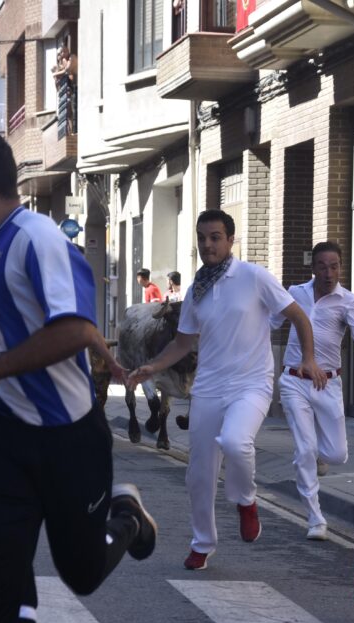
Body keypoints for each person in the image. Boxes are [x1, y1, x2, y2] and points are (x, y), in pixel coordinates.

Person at [0, 130, 155, 623]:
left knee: (82, 574)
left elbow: (74, 328)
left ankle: (126, 517)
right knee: (5, 590)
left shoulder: (38, 239)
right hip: (1, 438)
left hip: (66, 438)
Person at [129, 209, 327, 571]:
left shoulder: (254, 277)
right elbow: (182, 343)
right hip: (208, 386)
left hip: (251, 383)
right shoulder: (196, 290)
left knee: (236, 442)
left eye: (215, 237)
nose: (207, 244)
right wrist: (152, 367)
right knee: (199, 474)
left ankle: (246, 501)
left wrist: (310, 358)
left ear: (231, 240)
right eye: (202, 238)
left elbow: (299, 316)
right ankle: (202, 543)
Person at [273, 241, 354, 540]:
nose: (328, 273)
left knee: (336, 454)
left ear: (340, 268)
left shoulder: (348, 301)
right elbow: (271, 321)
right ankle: (315, 519)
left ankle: (320, 457)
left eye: (334, 267)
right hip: (294, 379)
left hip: (328, 383)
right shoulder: (295, 293)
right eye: (322, 267)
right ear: (313, 268)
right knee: (305, 450)